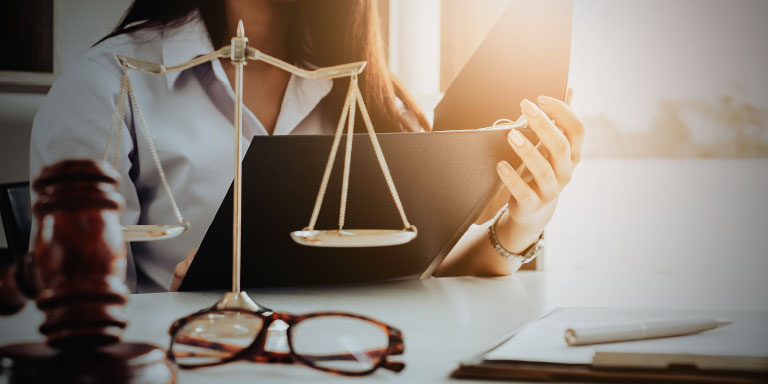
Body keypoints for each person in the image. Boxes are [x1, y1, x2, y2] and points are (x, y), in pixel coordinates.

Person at [30, 0, 585, 292]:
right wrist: (193, 308)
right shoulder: (106, 84)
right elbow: (85, 318)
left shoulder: (368, 93)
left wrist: (523, 220)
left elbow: (428, 271)